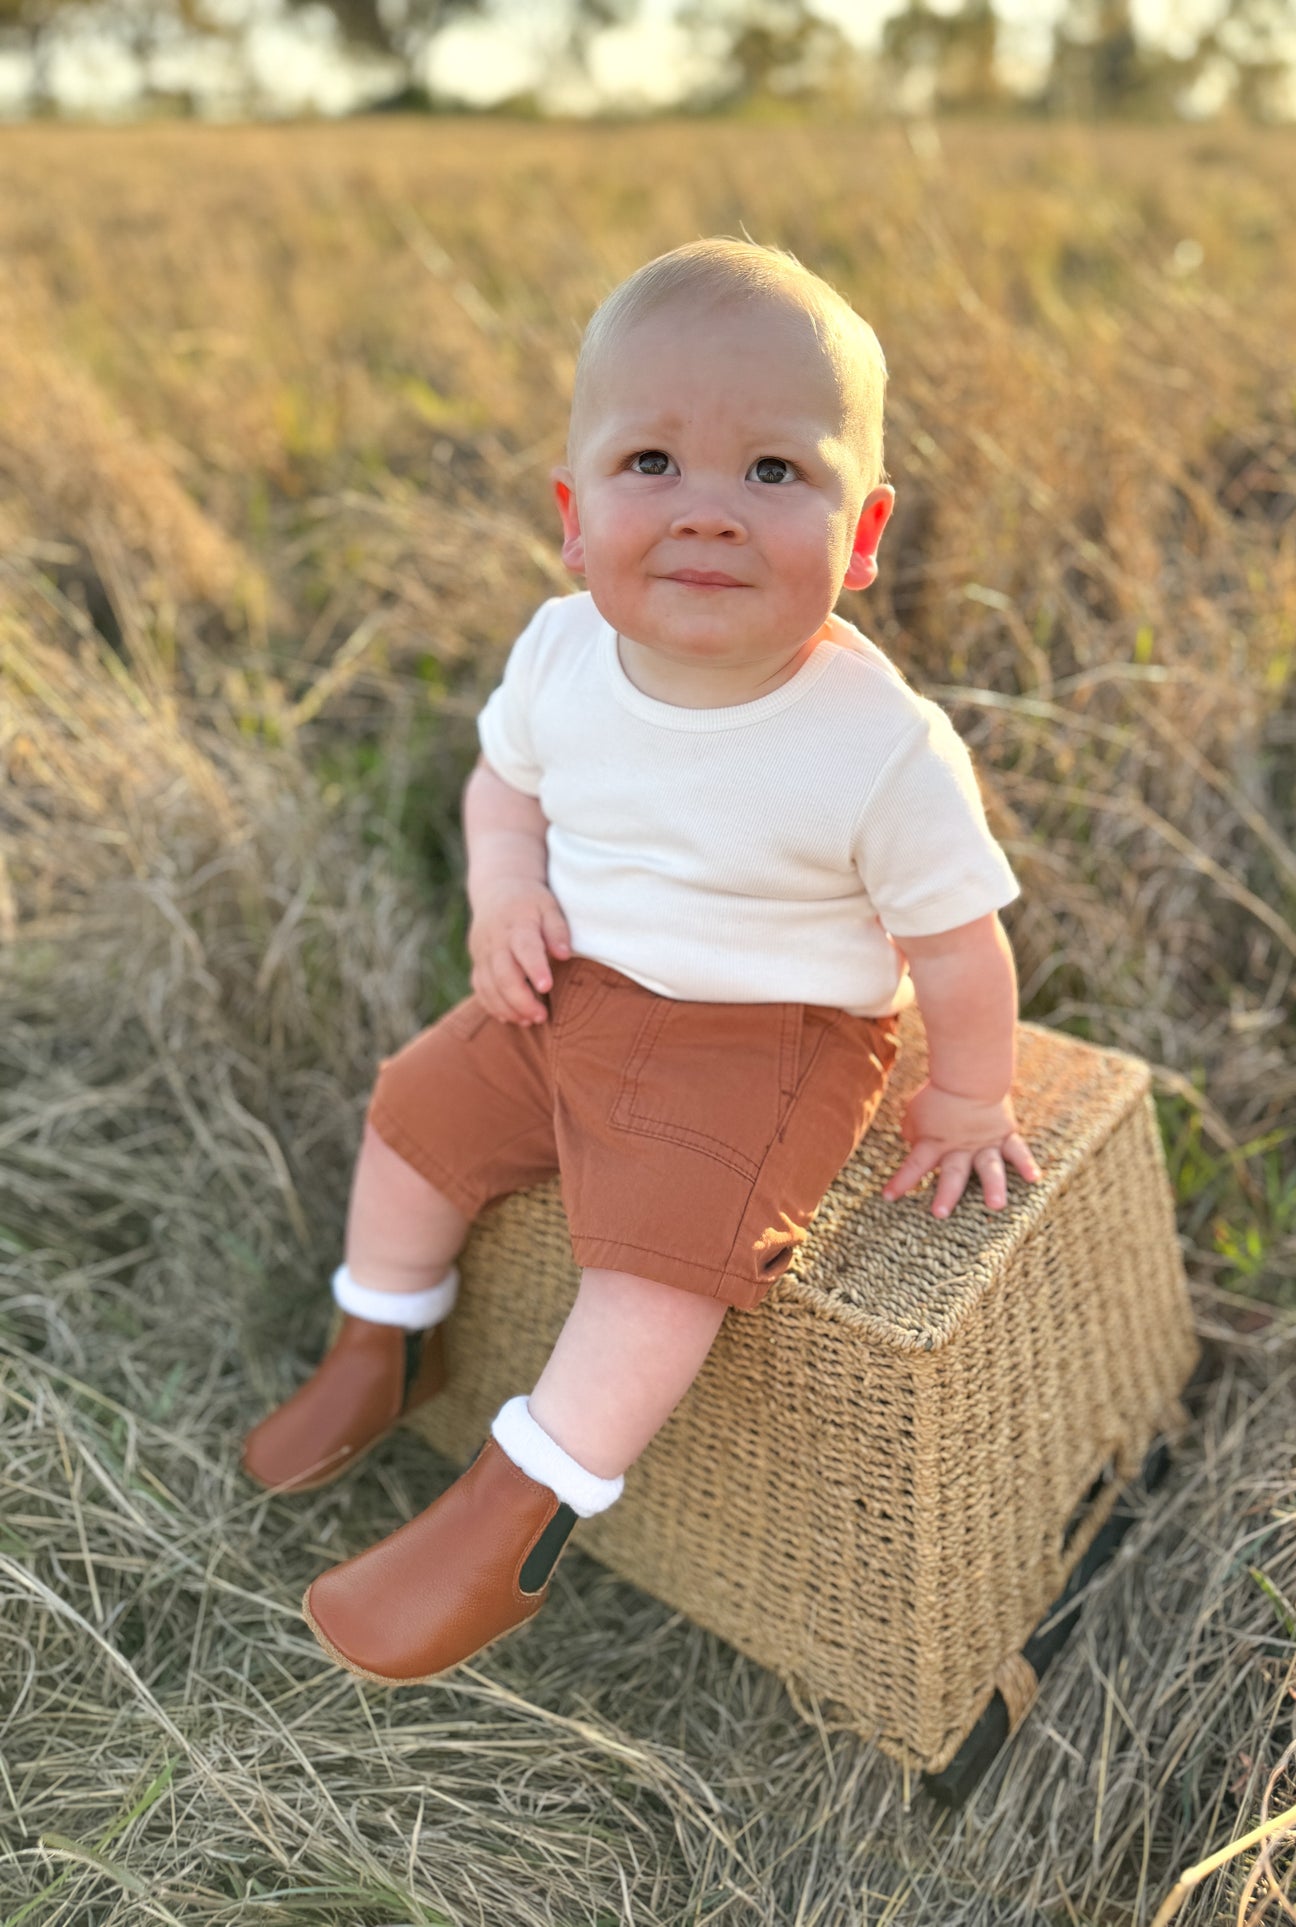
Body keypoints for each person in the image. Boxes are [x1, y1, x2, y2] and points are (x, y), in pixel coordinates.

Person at [243, 237, 1041, 1687]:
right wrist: (502, 897)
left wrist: (966, 1101)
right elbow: (505, 790)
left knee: (660, 1262)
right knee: (413, 1115)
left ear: (861, 537)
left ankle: (522, 1508)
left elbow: (956, 943)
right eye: (652, 464)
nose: (707, 517)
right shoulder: (558, 655)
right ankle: (382, 1339)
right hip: (572, 987)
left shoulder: (877, 747)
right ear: (573, 512)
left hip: (766, 1032)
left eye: (774, 475)